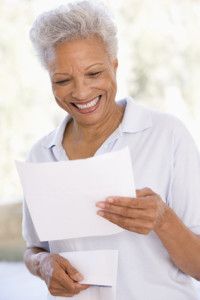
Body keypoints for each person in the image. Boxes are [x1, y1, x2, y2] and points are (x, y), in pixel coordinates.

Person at [23, 1, 200, 299]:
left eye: (93, 73)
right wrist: (43, 265)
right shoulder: (41, 155)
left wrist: (163, 220)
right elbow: (34, 248)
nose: (81, 92)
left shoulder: (167, 135)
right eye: (63, 80)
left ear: (114, 66)